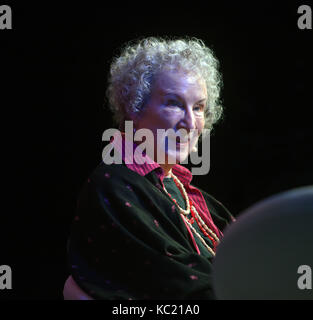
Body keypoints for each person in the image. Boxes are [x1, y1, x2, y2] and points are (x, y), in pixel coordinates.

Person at [66, 36, 235, 300]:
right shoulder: (114, 184)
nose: (190, 123)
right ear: (135, 107)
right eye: (174, 103)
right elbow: (180, 286)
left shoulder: (183, 191)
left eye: (199, 107)